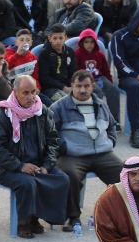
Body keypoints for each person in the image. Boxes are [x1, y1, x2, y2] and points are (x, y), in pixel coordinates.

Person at [0, 73, 71, 236]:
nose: (31, 97)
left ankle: (35, 217)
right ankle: (23, 223)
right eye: (25, 93)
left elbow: (53, 141)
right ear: (15, 92)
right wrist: (20, 166)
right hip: (7, 168)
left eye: (33, 92)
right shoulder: (2, 114)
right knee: (27, 183)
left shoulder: (42, 111)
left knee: (62, 179)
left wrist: (46, 165)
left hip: (37, 164)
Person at [51, 70, 124, 231]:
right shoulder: (59, 107)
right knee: (69, 174)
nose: (82, 90)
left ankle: (119, 215)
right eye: (78, 86)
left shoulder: (101, 104)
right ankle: (73, 216)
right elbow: (50, 133)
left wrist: (110, 142)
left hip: (102, 153)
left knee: (125, 174)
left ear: (93, 86)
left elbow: (112, 125)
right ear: (72, 86)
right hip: (73, 155)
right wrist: (64, 147)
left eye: (86, 86)